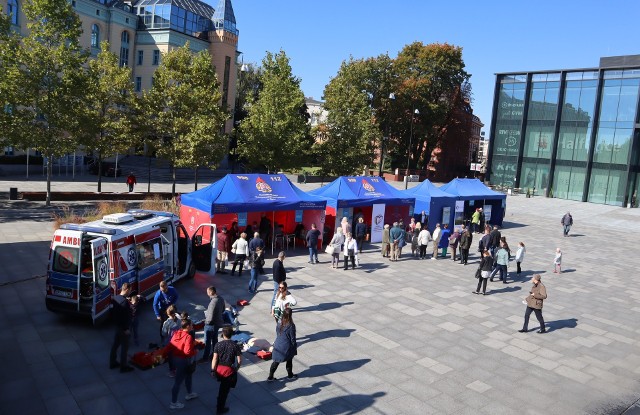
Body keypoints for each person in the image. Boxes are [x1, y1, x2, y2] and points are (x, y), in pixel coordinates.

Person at [165, 319, 199, 409]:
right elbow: (187, 352)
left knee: (188, 375)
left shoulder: (177, 333)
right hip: (183, 361)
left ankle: (189, 393)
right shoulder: (188, 337)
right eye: (191, 325)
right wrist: (195, 351)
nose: (192, 326)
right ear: (187, 326)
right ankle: (174, 402)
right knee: (178, 382)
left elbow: (170, 345)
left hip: (175, 359)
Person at [211, 326, 242, 414]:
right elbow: (239, 360)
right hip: (229, 371)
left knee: (223, 387)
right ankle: (220, 408)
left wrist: (213, 370)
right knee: (224, 391)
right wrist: (237, 368)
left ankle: (220, 400)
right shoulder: (235, 345)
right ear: (231, 334)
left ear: (223, 334)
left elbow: (215, 358)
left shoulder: (218, 344)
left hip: (219, 369)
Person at [267, 308, 298, 382]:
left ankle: (270, 377)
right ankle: (290, 375)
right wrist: (294, 346)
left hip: (278, 344)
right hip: (286, 346)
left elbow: (277, 333)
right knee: (289, 360)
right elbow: (292, 338)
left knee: (276, 361)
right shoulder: (291, 325)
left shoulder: (279, 322)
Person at [110, 282, 135, 373]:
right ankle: (123, 366)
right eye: (130, 290)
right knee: (125, 347)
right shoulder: (125, 302)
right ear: (127, 289)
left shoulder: (116, 298)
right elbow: (125, 317)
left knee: (115, 345)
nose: (130, 292)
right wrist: (126, 329)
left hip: (117, 326)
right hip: (123, 328)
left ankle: (112, 362)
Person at [200, 286, 225, 363]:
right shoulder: (220, 298)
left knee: (207, 342)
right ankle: (214, 355)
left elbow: (210, 317)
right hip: (217, 323)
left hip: (211, 324)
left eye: (207, 292)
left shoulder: (213, 302)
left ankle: (205, 358)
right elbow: (223, 309)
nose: (207, 293)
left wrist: (206, 322)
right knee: (215, 340)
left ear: (211, 292)